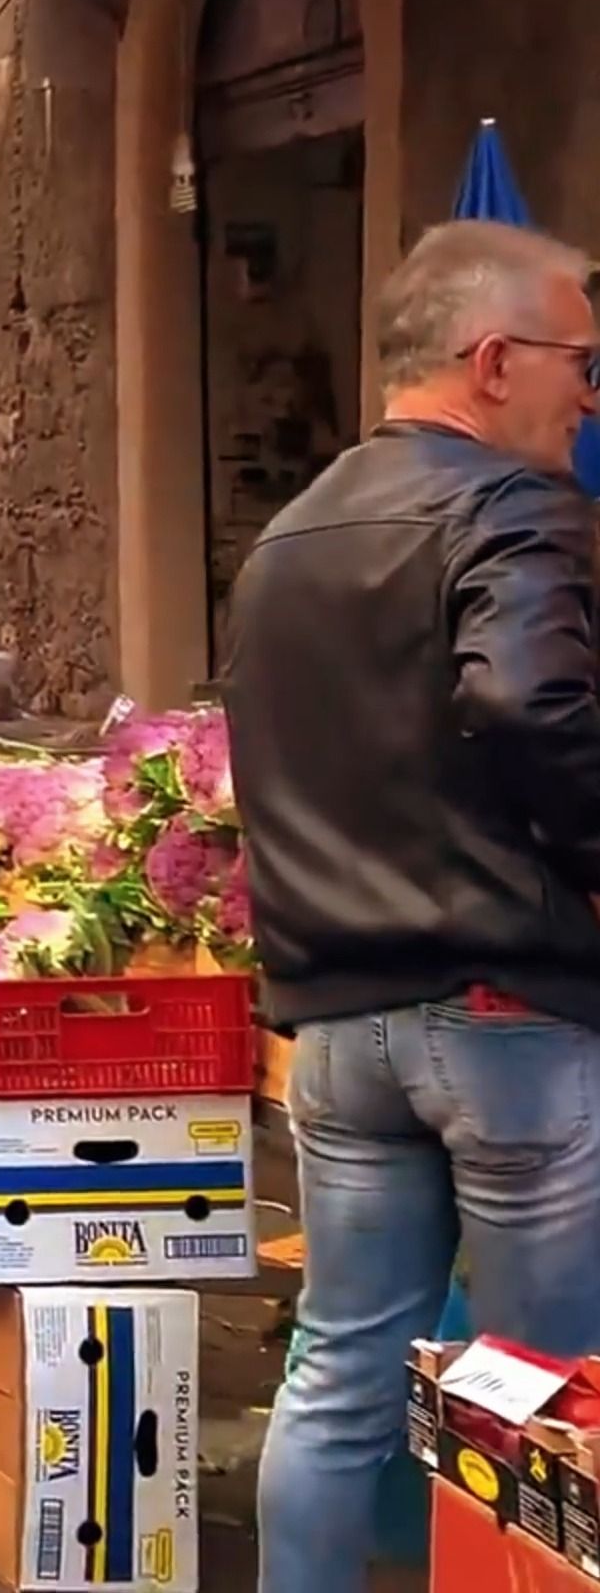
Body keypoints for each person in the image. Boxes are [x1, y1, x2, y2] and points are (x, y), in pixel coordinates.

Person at [233, 221, 600, 1593]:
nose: (589, 394)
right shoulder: (515, 506)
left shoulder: (291, 531)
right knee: (541, 1388)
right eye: (581, 361)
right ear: (495, 359)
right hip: (503, 1008)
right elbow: (526, 700)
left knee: (338, 1368)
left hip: (338, 1017)